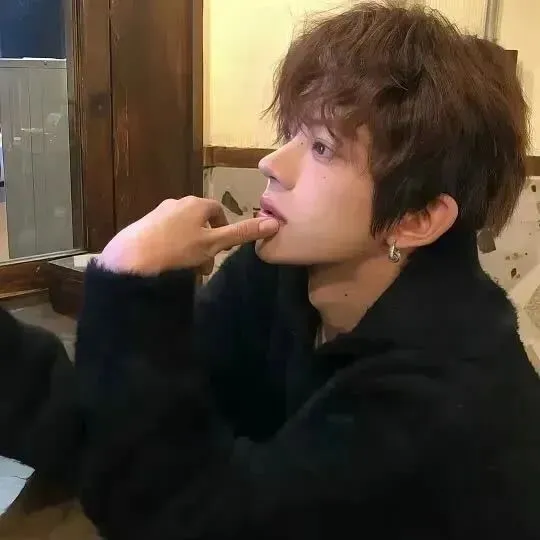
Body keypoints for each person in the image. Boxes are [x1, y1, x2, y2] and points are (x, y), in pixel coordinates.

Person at [4, 2, 540, 539]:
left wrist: (132, 287)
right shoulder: (280, 280)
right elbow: (122, 432)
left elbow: (187, 520)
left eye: (322, 147)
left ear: (416, 219)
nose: (272, 164)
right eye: (292, 133)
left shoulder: (444, 401)